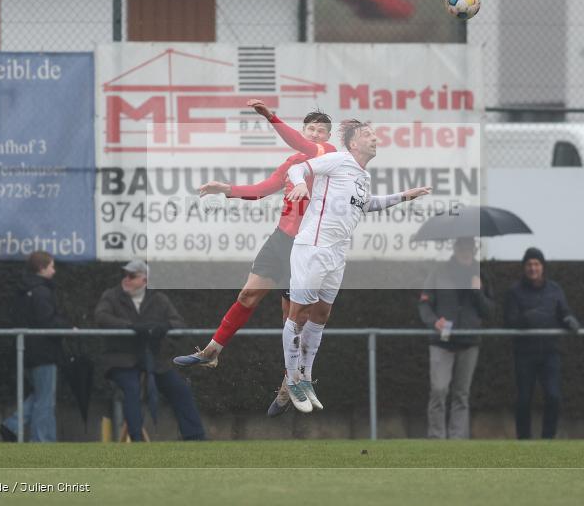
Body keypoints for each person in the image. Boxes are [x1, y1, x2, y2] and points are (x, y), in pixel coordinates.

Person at [173, 100, 336, 416]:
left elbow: (301, 144)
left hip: (306, 247)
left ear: (328, 138)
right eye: (311, 129)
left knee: (292, 319)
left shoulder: (328, 156)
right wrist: (225, 188)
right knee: (247, 296)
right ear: (304, 130)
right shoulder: (293, 162)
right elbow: (263, 189)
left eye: (321, 131)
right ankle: (212, 351)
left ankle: (290, 382)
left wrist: (271, 117)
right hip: (281, 240)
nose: (315, 134)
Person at [281, 120, 432, 412]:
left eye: (374, 134)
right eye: (367, 134)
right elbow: (297, 169)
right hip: (314, 246)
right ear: (353, 143)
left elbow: (367, 204)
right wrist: (299, 183)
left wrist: (404, 197)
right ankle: (292, 379)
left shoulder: (363, 175)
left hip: (337, 253)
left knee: (321, 314)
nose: (375, 138)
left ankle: (306, 377)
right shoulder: (339, 159)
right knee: (299, 315)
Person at [95, 260, 205, 441]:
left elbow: (179, 324)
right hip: (122, 359)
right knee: (132, 388)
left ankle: (195, 437)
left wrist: (164, 326)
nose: (126, 279)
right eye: (125, 275)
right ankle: (136, 439)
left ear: (145, 280)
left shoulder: (159, 299)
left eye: (132, 276)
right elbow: (101, 317)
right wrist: (130, 326)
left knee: (180, 389)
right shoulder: (111, 296)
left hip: (154, 359)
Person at [417, 237, 492, 439]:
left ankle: (457, 440)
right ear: (455, 247)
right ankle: (436, 438)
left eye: (469, 246)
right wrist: (434, 321)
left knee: (461, 394)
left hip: (469, 343)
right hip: (441, 342)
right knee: (439, 390)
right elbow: (424, 303)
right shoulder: (438, 272)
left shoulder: (481, 274)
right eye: (462, 245)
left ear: (474, 249)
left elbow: (488, 311)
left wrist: (478, 293)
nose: (465, 250)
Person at [503, 247, 580, 440]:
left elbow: (564, 311)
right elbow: (509, 322)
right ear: (524, 267)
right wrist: (526, 318)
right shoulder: (514, 291)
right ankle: (524, 440)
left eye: (536, 264)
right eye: (529, 264)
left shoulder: (555, 289)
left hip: (550, 352)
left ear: (543, 267)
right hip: (524, 353)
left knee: (553, 396)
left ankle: (548, 439)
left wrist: (570, 319)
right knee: (523, 399)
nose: (533, 268)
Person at [0, 251, 71, 442]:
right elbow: (47, 322)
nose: (54, 271)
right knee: (45, 400)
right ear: (41, 268)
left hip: (27, 350)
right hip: (44, 352)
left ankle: (13, 425)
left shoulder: (23, 290)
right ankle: (40, 441)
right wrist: (67, 327)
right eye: (52, 266)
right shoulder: (42, 291)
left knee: (40, 395)